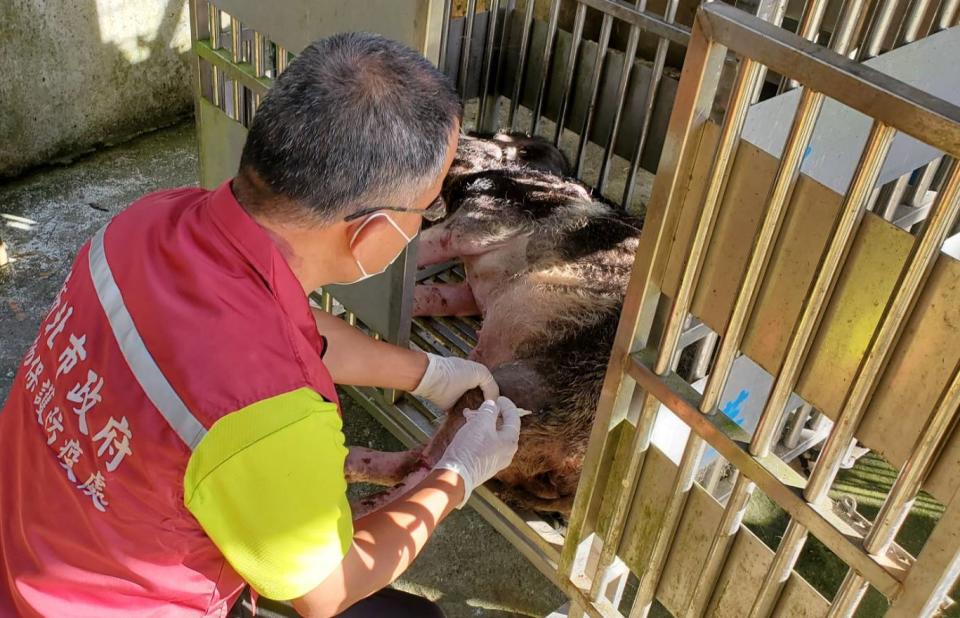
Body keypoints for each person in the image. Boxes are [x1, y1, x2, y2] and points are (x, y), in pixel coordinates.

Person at [0, 32, 527, 617]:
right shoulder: (266, 411)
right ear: (373, 232)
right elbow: (324, 592)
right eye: (425, 209)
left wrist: (428, 373)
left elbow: (294, 332)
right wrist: (456, 475)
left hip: (28, 547)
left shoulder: (147, 221)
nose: (426, 221)